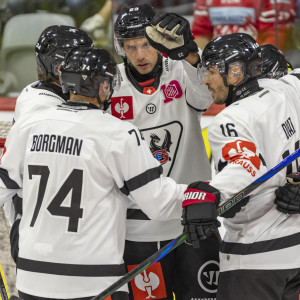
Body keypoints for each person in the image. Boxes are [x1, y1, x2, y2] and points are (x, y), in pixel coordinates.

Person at [0, 46, 188, 300]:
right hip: (93, 281)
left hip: (32, 278)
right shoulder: (117, 133)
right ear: (102, 87)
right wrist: (202, 194)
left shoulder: (28, 126)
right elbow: (160, 202)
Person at [110, 4, 220, 300]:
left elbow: (205, 95)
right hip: (136, 230)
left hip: (193, 221)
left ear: (158, 42)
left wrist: (189, 52)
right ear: (120, 47)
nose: (140, 55)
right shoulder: (109, 84)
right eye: (130, 47)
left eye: (146, 44)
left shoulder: (181, 69)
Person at [181, 32, 300, 300]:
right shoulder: (288, 89)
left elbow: (245, 165)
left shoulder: (231, 118)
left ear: (235, 72)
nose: (206, 81)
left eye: (211, 71)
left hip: (254, 260)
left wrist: (210, 193)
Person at [3, 24, 94, 264]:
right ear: (58, 65)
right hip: (42, 229)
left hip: (52, 224)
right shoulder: (43, 107)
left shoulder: (35, 94)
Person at [191, 0, 296, 51]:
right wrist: (205, 62)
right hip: (217, 65)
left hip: (255, 64)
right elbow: (200, 34)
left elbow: (275, 36)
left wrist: (253, 64)